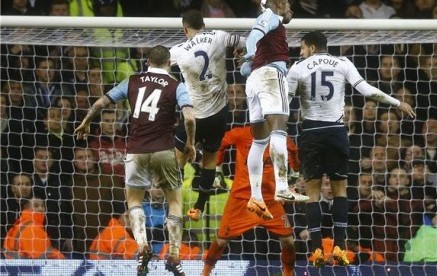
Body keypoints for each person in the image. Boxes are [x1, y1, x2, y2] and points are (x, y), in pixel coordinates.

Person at [287, 31, 415, 268]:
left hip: (311, 133)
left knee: (312, 193)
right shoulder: (343, 63)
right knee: (340, 191)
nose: (300, 52)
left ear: (313, 47)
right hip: (336, 132)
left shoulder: (299, 67)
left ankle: (316, 250)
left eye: (302, 48)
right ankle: (339, 247)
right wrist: (398, 102)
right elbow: (367, 90)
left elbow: (286, 97)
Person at [74, 45, 196, 276]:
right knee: (175, 202)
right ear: (170, 63)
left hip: (136, 150)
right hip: (164, 150)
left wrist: (87, 121)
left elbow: (101, 102)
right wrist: (189, 143)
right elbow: (189, 118)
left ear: (147, 62)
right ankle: (175, 255)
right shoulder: (176, 85)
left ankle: (141, 246)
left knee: (134, 201)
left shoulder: (132, 81)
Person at [169, 9, 245, 222]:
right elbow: (246, 42)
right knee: (210, 160)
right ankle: (198, 207)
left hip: (194, 115)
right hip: (219, 114)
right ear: (204, 24)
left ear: (185, 29)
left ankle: (173, 206)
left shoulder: (178, 50)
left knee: (177, 162)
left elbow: (158, 66)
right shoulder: (220, 36)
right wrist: (241, 54)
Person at [239, 0, 308, 220]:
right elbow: (252, 39)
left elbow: (244, 69)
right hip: (270, 76)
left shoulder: (272, 26)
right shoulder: (269, 16)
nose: (290, 6)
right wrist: (250, 54)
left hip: (255, 79)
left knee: (259, 141)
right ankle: (282, 187)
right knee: (279, 129)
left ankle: (257, 197)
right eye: (287, 2)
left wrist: (250, 59)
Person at [202, 124, 297, 276]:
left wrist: (293, 179)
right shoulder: (241, 134)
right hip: (241, 198)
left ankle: (288, 273)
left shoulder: (279, 138)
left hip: (269, 199)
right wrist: (217, 169)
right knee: (221, 242)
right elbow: (220, 143)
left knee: (288, 241)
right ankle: (205, 272)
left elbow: (293, 151)